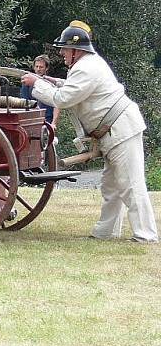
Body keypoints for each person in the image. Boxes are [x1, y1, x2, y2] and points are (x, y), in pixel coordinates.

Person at [21, 20, 158, 243]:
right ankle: (105, 232)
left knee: (130, 184)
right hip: (115, 131)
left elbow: (63, 98)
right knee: (111, 185)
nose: (62, 54)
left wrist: (36, 82)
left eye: (65, 49)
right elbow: (69, 87)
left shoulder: (86, 68)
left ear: (76, 50)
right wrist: (49, 80)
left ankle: (146, 235)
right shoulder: (86, 66)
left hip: (120, 130)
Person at [20, 54, 60, 129]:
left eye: (41, 67)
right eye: (36, 66)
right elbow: (24, 102)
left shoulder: (51, 82)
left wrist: (54, 123)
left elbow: (57, 104)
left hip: (47, 120)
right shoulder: (27, 82)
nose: (38, 69)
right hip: (31, 120)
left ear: (46, 68)